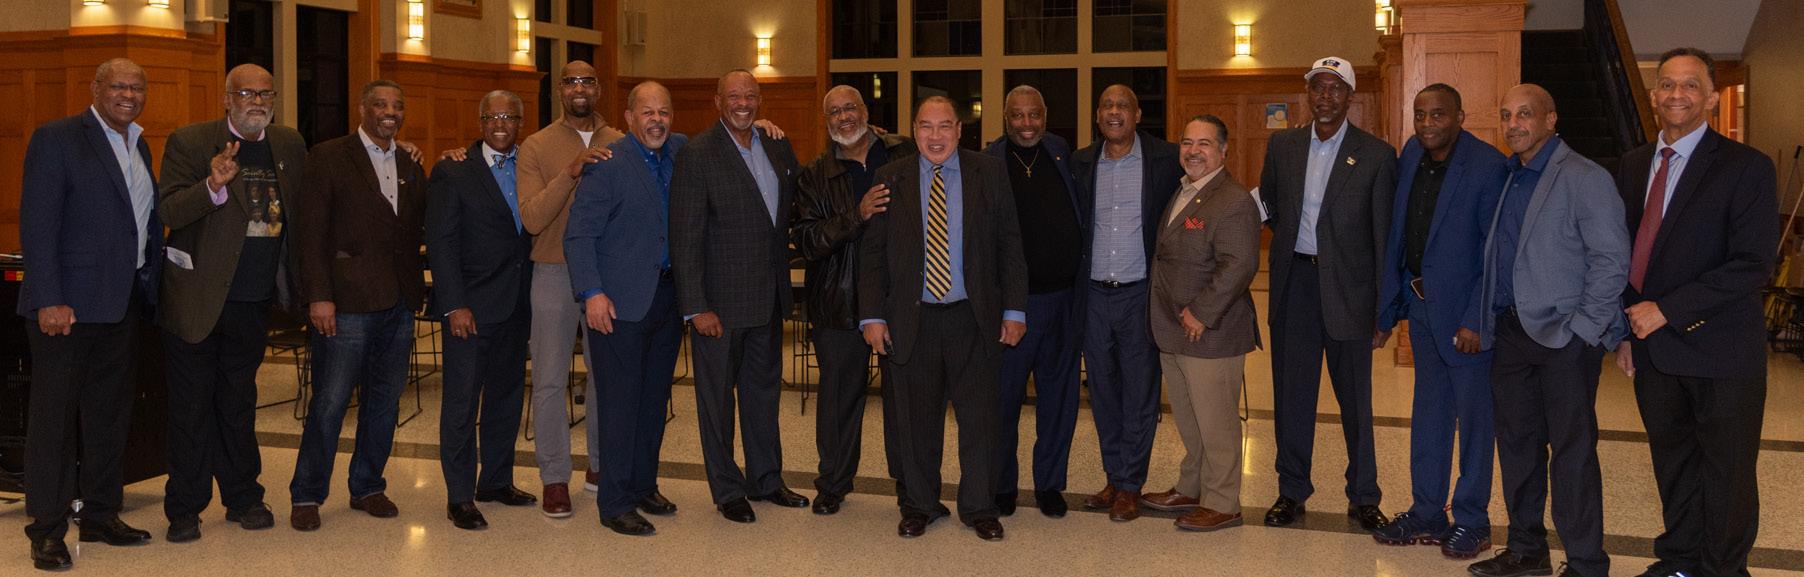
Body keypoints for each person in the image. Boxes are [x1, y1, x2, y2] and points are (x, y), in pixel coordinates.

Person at [1616, 47, 1779, 577]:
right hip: (1654, 350)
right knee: (1674, 464)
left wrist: (1666, 309)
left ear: (1712, 96)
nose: (1677, 94)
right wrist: (1625, 330)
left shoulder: (1746, 167)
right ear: (1653, 95)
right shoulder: (1634, 164)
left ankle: (1723, 569)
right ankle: (1681, 560)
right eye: (1667, 84)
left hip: (1721, 348)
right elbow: (1624, 253)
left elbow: (1752, 264)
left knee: (1727, 472)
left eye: (1690, 85)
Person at [1467, 84, 1629, 577]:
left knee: (1572, 454)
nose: (1513, 124)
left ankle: (1585, 563)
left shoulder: (1584, 177)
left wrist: (1583, 330)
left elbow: (1611, 259)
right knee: (1518, 448)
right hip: (1510, 335)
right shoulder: (1509, 176)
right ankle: (1526, 550)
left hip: (1564, 340)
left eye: (1525, 114)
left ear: (1551, 119)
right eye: (1506, 115)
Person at [859, 95, 1027, 541]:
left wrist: (1014, 310)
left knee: (980, 420)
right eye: (926, 126)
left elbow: (1010, 244)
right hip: (911, 320)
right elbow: (872, 255)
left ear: (959, 130)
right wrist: (872, 316)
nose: (935, 136)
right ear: (914, 130)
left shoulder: (989, 172)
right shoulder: (889, 177)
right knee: (916, 422)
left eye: (944, 126)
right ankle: (919, 504)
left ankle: (979, 507)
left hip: (974, 319)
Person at [17, 58, 162, 571]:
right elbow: (38, 223)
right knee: (54, 423)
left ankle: (100, 514)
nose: (129, 94)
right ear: (96, 88)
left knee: (108, 417)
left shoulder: (139, 143)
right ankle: (46, 530)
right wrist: (49, 298)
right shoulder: (57, 138)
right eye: (119, 85)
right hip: (68, 309)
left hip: (121, 304)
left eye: (137, 87)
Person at [155, 63, 305, 542]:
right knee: (191, 408)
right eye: (246, 93)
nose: (256, 102)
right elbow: (169, 209)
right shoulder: (190, 142)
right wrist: (212, 186)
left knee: (239, 403)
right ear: (226, 99)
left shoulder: (289, 144)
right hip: (196, 300)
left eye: (265, 93)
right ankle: (184, 508)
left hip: (253, 301)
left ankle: (243, 497)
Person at [1370, 84, 1509, 558]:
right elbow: (1400, 234)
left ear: (1460, 117)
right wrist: (1389, 309)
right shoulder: (1411, 154)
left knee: (1474, 423)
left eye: (1438, 115)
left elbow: (1494, 253)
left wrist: (1477, 320)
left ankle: (1473, 519)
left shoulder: (1487, 166)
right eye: (1420, 114)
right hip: (1422, 310)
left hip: (1466, 318)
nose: (1427, 124)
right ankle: (1428, 511)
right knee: (1429, 415)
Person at [1258, 56, 1397, 531]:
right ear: (1308, 94)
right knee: (1292, 398)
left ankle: (1364, 496)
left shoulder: (1376, 155)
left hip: (1350, 293)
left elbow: (1383, 237)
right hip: (1295, 286)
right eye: (1318, 87)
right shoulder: (1283, 146)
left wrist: (1383, 310)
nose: (1325, 97)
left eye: (1335, 88)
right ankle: (1291, 491)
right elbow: (1271, 204)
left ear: (1350, 97)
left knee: (1355, 403)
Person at [289, 79, 429, 532]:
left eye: (397, 105)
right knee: (330, 403)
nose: (390, 112)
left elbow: (417, 223)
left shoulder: (409, 161)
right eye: (381, 104)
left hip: (398, 303)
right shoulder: (329, 156)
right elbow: (310, 233)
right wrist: (319, 296)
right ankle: (307, 493)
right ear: (362, 109)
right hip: (345, 304)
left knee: (384, 403)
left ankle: (368, 485)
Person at [669, 69, 808, 523]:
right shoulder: (697, 154)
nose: (742, 103)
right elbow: (685, 237)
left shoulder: (777, 145)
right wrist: (696, 306)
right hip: (719, 307)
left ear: (760, 100)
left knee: (762, 397)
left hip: (767, 300)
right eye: (733, 96)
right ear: (717, 101)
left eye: (750, 96)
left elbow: (792, 208)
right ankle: (728, 490)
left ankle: (766, 480)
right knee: (717, 404)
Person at [565, 81, 687, 536]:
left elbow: (726, 143)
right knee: (619, 405)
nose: (657, 120)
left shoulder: (679, 152)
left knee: (653, 402)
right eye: (647, 112)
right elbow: (579, 235)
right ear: (630, 118)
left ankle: (642, 485)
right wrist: (592, 292)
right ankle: (614, 502)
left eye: (664, 112)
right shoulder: (608, 163)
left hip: (667, 300)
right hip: (615, 305)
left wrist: (760, 126)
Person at [792, 85, 915, 515]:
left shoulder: (904, 152)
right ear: (825, 121)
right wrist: (856, 215)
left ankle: (911, 485)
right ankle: (833, 484)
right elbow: (807, 240)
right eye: (834, 112)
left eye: (850, 108)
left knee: (905, 401)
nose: (844, 117)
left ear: (865, 111)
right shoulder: (813, 174)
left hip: (899, 299)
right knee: (839, 400)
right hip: (838, 301)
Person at [1068, 84, 1183, 522]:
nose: (1114, 112)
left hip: (1140, 294)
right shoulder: (1081, 163)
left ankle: (1131, 484)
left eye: (1123, 106)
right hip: (1094, 295)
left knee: (1139, 392)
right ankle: (1114, 477)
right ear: (1098, 115)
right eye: (1107, 106)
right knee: (1102, 392)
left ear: (1137, 114)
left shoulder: (1165, 159)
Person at [425, 90, 538, 531]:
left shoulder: (531, 165)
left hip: (517, 304)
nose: (500, 124)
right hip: (470, 309)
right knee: (461, 404)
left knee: (506, 400)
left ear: (521, 123)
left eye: (509, 116)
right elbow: (441, 243)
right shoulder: (453, 170)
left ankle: (496, 481)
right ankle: (459, 496)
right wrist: (454, 304)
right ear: (480, 121)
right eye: (492, 117)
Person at [514, 61, 621, 515]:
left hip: (606, 276)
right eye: (572, 81)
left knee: (605, 376)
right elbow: (532, 218)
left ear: (598, 89)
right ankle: (555, 476)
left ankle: (600, 465)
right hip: (553, 271)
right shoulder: (536, 145)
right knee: (549, 378)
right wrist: (571, 171)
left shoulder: (620, 140)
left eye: (588, 81)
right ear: (560, 90)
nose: (580, 88)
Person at [1145, 115, 1261, 533]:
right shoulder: (1183, 191)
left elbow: (1240, 264)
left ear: (1223, 150)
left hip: (1211, 331)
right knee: (1191, 419)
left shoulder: (1233, 200)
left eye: (1204, 144)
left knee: (1216, 423)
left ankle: (1223, 502)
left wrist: (1202, 312)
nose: (1193, 151)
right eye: (1187, 143)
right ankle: (1191, 487)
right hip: (1174, 327)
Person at [981, 85, 1083, 518]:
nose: (1027, 124)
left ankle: (1050, 485)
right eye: (1018, 116)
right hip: (1012, 307)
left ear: (1045, 116)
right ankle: (1003, 485)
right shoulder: (988, 163)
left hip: (1064, 301)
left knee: (1059, 401)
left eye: (1034, 115)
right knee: (1003, 401)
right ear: (1005, 119)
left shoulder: (1060, 153)